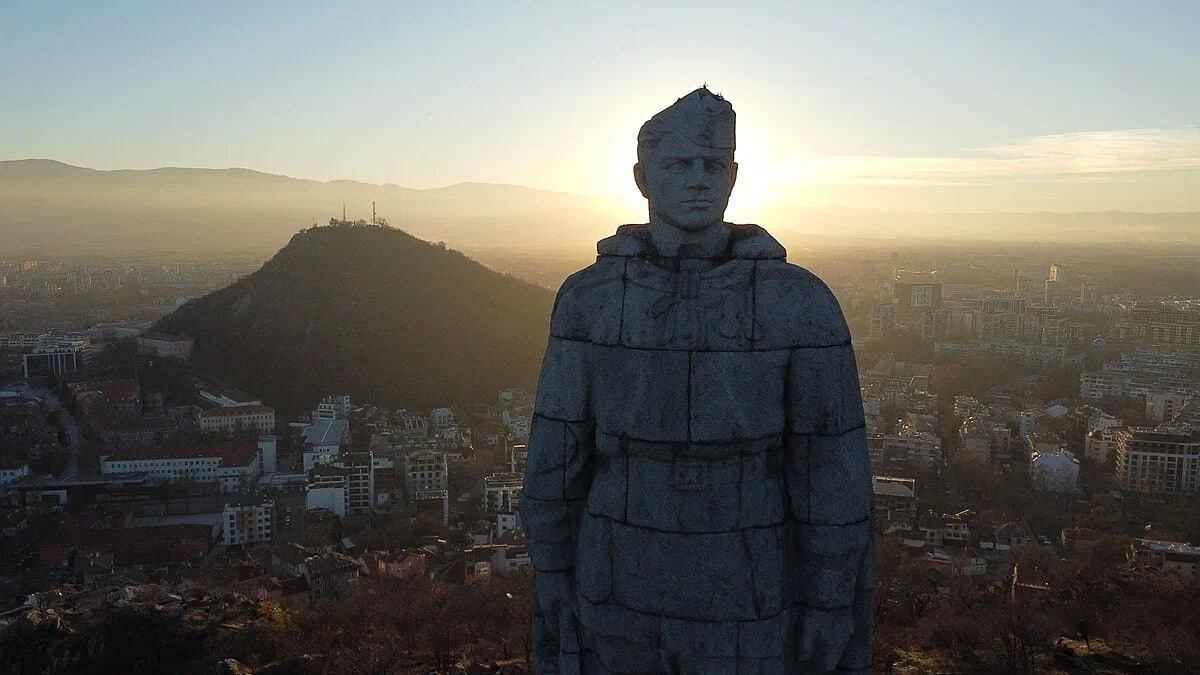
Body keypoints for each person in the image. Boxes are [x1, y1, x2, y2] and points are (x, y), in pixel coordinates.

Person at [521, 87, 874, 674]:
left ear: (734, 174)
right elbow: (555, 459)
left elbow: (830, 469)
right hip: (614, 574)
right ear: (643, 178)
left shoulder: (801, 303)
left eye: (714, 165)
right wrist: (553, 572)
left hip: (754, 579)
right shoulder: (589, 300)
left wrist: (832, 594)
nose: (698, 179)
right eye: (678, 164)